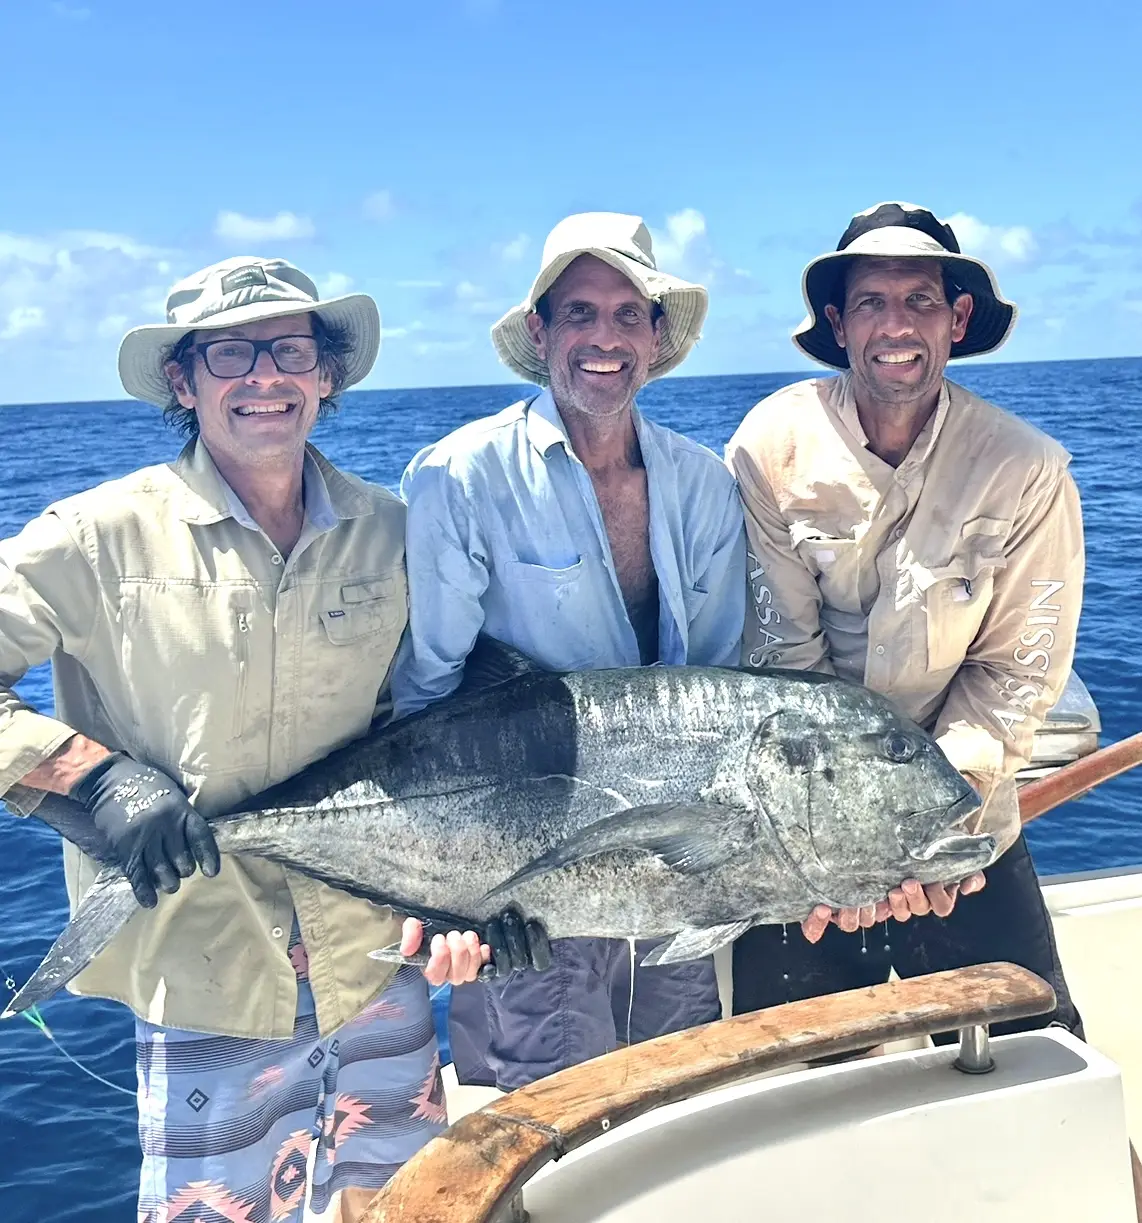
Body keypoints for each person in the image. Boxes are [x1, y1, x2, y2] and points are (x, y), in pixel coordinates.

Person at [0, 257, 499, 1223]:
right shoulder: (96, 534)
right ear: (184, 382)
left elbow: (429, 735)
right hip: (206, 972)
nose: (262, 376)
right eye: (230, 352)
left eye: (290, 351)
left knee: (405, 1207)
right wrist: (92, 777)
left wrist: (469, 893)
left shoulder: (394, 532)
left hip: (374, 966)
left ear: (326, 376)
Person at [391, 212, 747, 1090]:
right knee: (553, 1121)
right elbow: (429, 694)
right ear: (541, 331)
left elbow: (723, 685)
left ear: (656, 339)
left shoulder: (703, 483)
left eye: (630, 315)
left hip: (675, 875)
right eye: (580, 313)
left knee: (682, 1103)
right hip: (527, 875)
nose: (605, 338)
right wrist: (448, 897)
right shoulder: (461, 474)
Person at [724, 201, 1085, 1032]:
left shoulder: (1028, 470)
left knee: (1039, 1066)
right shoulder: (768, 444)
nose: (898, 324)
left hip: (961, 822)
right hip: (797, 832)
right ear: (836, 323)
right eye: (872, 302)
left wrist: (917, 832)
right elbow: (785, 670)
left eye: (921, 300)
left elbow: (1013, 676)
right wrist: (851, 848)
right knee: (789, 1097)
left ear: (957, 319)